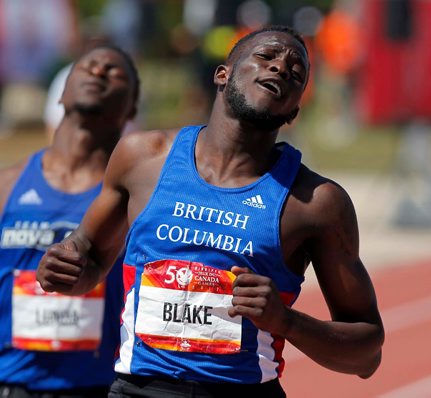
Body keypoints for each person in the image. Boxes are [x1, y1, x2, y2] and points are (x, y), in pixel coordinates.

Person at [37, 26, 384, 397]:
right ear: (223, 74)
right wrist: (60, 270)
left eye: (296, 73)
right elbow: (87, 258)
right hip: (140, 389)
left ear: (294, 110)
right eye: (266, 57)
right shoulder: (143, 158)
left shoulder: (315, 202)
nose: (282, 68)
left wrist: (286, 321)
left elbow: (366, 355)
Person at [0, 45, 139, 397]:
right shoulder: (7, 185)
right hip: (12, 383)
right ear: (62, 91)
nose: (99, 72)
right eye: (88, 66)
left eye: (115, 72)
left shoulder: (141, 197)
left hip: (102, 386)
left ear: (133, 107)